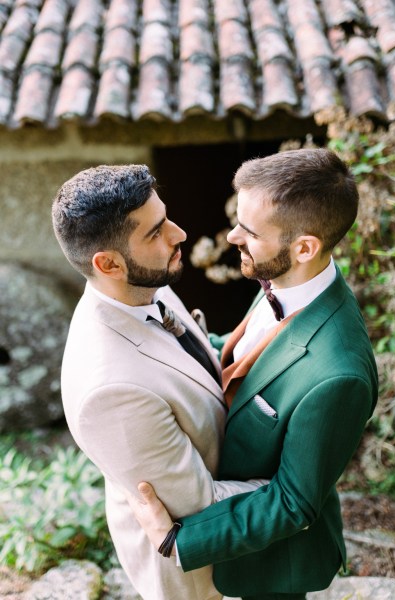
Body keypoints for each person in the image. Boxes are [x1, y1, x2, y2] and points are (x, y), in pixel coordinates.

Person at [127, 148, 379, 600]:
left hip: (272, 567)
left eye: (249, 230)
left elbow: (293, 502)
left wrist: (179, 541)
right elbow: (246, 357)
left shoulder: (339, 375)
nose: (232, 236)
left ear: (305, 247)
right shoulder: (283, 279)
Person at [51, 164, 267, 600]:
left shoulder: (145, 285)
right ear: (107, 263)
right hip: (202, 579)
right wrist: (304, 481)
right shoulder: (109, 391)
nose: (179, 233)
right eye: (155, 232)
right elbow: (200, 506)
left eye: (165, 217)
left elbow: (195, 359)